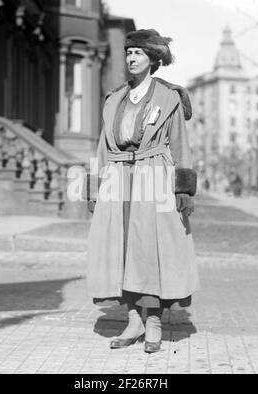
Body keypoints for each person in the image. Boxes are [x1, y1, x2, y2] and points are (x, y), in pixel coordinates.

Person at [86, 29, 200, 353]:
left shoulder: (169, 97)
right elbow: (102, 148)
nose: (131, 58)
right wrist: (95, 189)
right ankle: (133, 320)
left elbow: (180, 145)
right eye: (128, 53)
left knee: (153, 251)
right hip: (119, 180)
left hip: (155, 178)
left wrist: (183, 191)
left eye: (138, 53)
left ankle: (154, 322)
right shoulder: (115, 99)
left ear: (153, 59)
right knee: (121, 250)